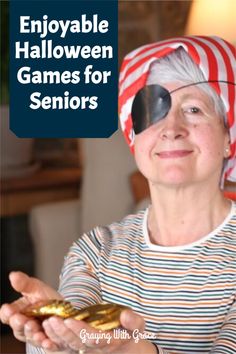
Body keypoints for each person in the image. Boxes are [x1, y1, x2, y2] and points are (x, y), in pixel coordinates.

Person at [1, 35, 235, 354]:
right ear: (134, 138)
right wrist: (54, 330)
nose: (171, 128)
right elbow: (75, 335)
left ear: (228, 135)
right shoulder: (96, 250)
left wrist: (138, 351)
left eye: (193, 109)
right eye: (153, 112)